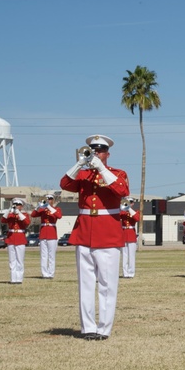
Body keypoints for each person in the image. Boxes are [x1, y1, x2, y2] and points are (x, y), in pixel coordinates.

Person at [60, 135, 130, 340]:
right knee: (86, 284)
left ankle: (104, 328)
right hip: (84, 232)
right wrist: (79, 164)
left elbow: (121, 190)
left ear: (107, 154)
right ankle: (88, 327)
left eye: (99, 151)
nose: (95, 154)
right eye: (92, 150)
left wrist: (101, 168)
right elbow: (64, 183)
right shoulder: (83, 175)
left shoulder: (117, 173)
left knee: (107, 285)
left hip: (107, 233)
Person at [31, 194, 62, 279]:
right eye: (47, 199)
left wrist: (49, 207)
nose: (48, 200)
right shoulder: (42, 210)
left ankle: (51, 273)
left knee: (51, 256)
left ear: (53, 200)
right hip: (43, 233)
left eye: (50, 199)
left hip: (52, 233)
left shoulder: (56, 209)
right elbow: (33, 215)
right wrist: (38, 206)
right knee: (43, 255)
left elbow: (59, 216)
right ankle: (44, 274)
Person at [1, 199, 30, 284]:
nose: (16, 205)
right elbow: (3, 220)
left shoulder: (24, 214)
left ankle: (19, 279)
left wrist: (18, 213)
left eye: (18, 204)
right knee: (12, 260)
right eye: (15, 204)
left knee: (20, 260)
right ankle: (13, 279)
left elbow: (27, 222)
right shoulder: (9, 215)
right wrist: (9, 210)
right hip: (11, 238)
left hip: (20, 238)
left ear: (21, 206)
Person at [120, 196, 140, 278]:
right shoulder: (122, 213)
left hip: (131, 234)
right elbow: (117, 215)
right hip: (124, 234)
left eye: (130, 202)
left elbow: (137, 218)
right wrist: (123, 207)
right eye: (127, 202)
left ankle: (131, 272)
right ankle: (125, 273)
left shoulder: (135, 212)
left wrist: (129, 209)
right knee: (124, 255)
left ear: (133, 203)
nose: (129, 203)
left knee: (131, 255)